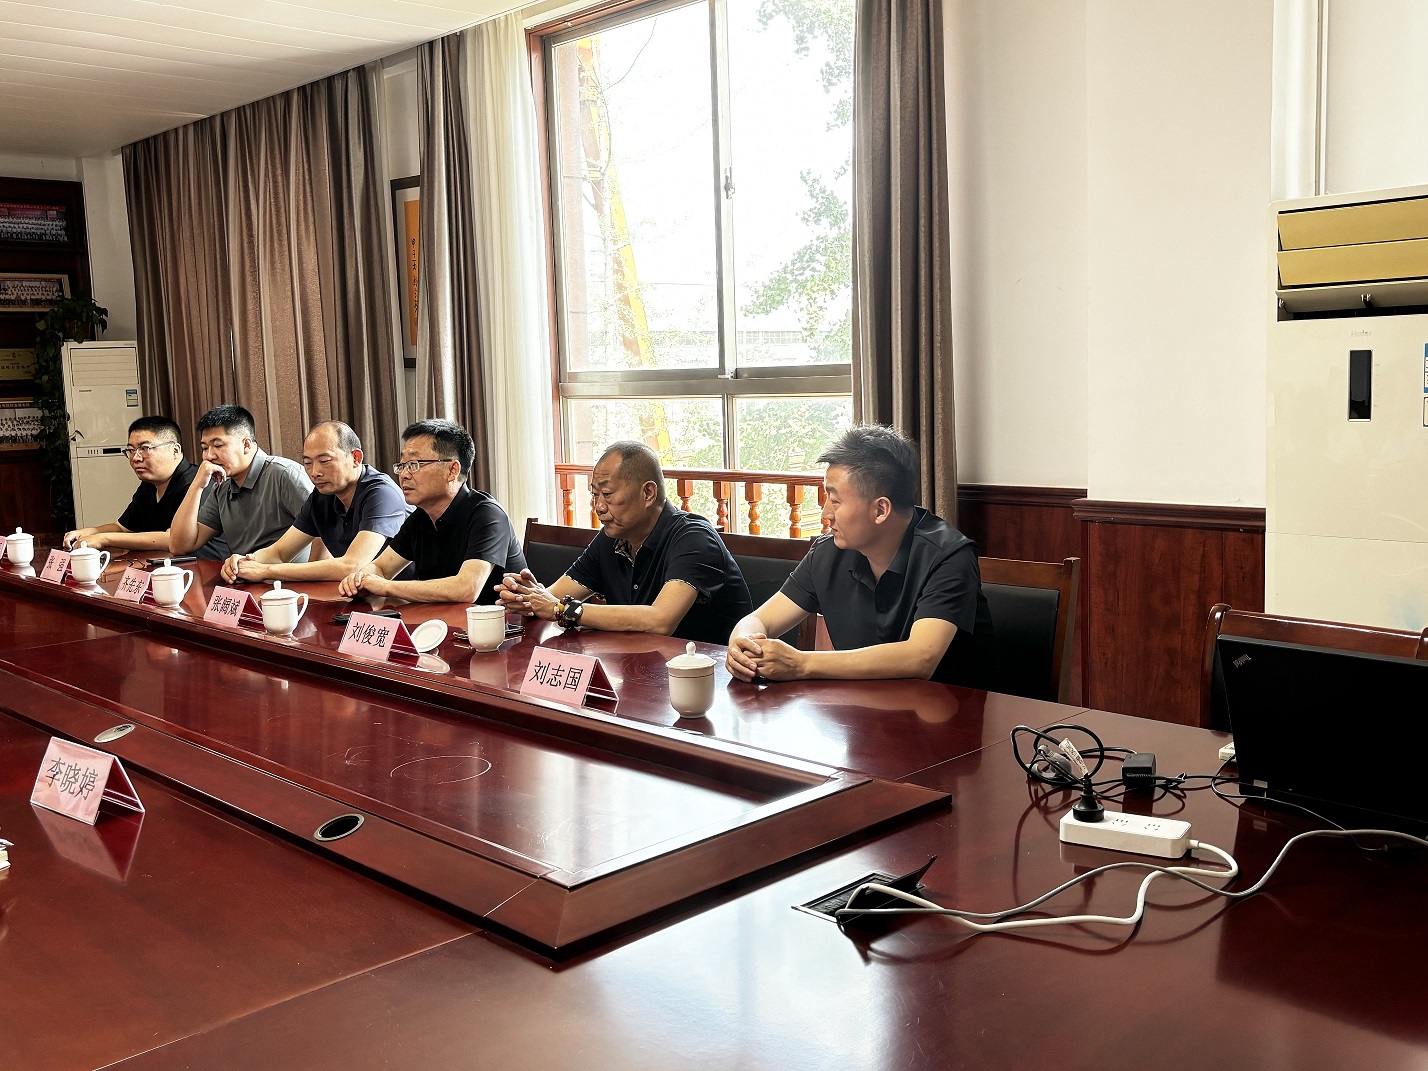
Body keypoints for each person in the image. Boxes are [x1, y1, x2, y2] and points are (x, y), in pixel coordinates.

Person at [726, 425, 994, 685]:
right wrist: (743, 644)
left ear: (880, 510)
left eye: (835, 501)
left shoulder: (949, 556)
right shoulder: (828, 552)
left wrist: (802, 663)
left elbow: (921, 657)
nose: (825, 515)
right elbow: (759, 620)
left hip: (950, 710)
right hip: (858, 708)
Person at [498, 441, 752, 644]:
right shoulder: (611, 538)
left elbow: (660, 620)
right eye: (595, 495)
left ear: (648, 493)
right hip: (643, 670)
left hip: (711, 678)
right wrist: (527, 598)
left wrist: (563, 609)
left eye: (607, 494)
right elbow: (552, 598)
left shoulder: (693, 537)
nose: (599, 507)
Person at [337, 419, 525, 604]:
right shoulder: (420, 517)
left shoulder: (487, 515)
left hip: (499, 622)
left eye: (414, 464)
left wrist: (386, 586)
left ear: (452, 470)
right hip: (441, 620)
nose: (404, 475)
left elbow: (466, 589)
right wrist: (361, 579)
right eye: (402, 465)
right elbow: (382, 567)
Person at [220, 421, 410, 583]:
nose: (314, 472)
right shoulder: (322, 495)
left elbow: (352, 565)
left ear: (356, 458)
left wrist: (266, 571)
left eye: (325, 461)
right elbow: (279, 552)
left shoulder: (381, 493)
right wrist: (244, 562)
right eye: (308, 463)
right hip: (362, 594)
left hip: (406, 597)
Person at [63, 416, 229, 556]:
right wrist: (89, 532)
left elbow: (172, 539)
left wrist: (104, 538)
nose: (136, 458)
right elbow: (122, 528)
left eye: (145, 448)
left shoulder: (198, 482)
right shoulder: (149, 486)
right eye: (131, 450)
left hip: (205, 570)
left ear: (175, 450)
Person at [169, 404, 313, 559]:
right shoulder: (222, 488)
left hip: (286, 573)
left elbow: (322, 528)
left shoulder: (284, 474)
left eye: (218, 445)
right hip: (243, 572)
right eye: (204, 448)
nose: (208, 456)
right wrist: (197, 485)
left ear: (246, 445)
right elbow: (180, 546)